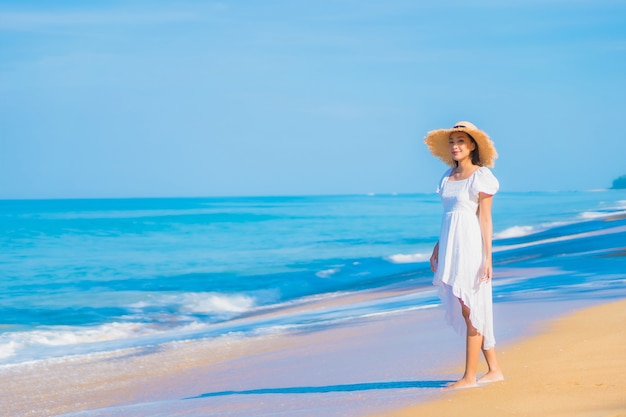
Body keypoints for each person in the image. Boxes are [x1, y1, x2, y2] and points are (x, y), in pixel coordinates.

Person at [424, 121, 505, 389]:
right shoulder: (447, 177)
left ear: (472, 146)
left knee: (471, 307)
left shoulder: (481, 176)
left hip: (470, 247)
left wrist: (488, 257)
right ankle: (494, 370)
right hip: (450, 245)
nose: (455, 146)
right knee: (468, 308)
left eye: (461, 141)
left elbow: (484, 219)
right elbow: (449, 216)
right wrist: (438, 247)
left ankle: (470, 377)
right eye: (452, 142)